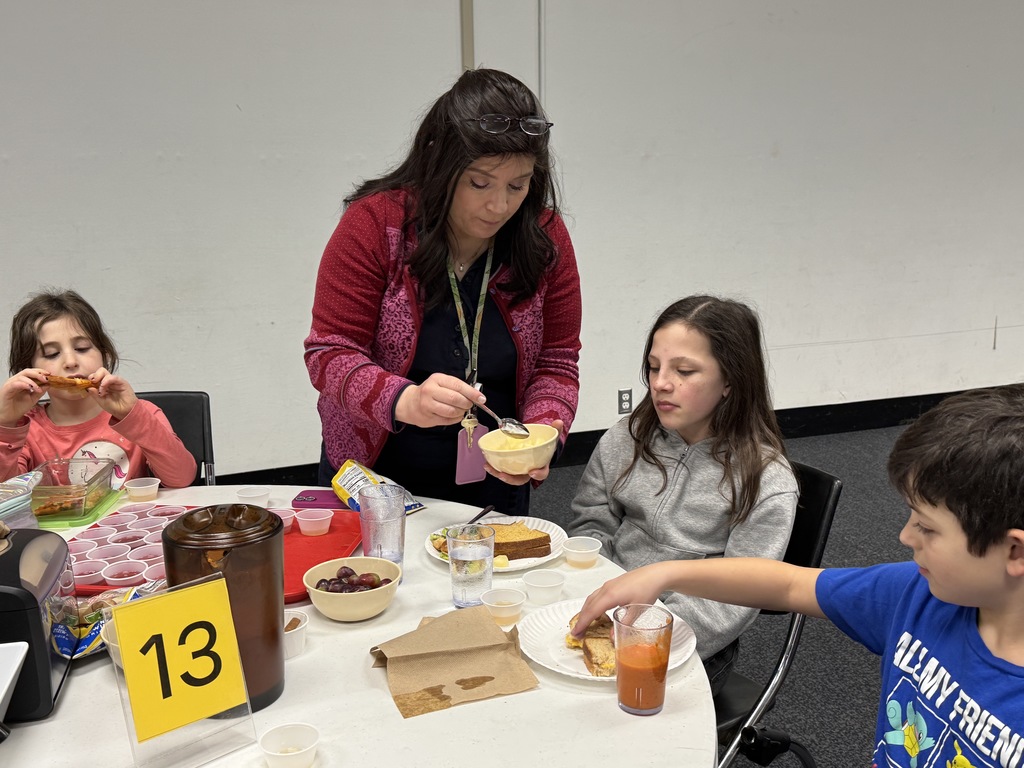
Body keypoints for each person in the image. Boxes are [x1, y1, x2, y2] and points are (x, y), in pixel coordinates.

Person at [574, 384, 1024, 766]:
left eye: (926, 527)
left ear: (1014, 549)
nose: (906, 536)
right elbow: (786, 583)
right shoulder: (914, 591)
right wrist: (665, 574)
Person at [304, 68, 581, 515]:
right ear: (440, 164)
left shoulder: (544, 237)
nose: (499, 205)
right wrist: (406, 399)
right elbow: (330, 353)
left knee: (487, 580)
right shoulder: (376, 225)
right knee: (373, 578)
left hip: (492, 473)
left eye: (518, 184)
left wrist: (543, 432)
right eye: (479, 183)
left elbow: (557, 361)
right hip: (377, 471)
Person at [567, 295, 797, 694]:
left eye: (685, 371)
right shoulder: (627, 437)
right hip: (608, 606)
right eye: (654, 367)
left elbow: (737, 596)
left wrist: (641, 632)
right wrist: (597, 591)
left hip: (692, 638)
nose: (660, 383)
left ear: (730, 381)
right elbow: (591, 521)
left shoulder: (766, 481)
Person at [0, 289, 196, 487]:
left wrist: (133, 415)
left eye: (82, 348)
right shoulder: (25, 431)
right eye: (52, 354)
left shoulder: (143, 414)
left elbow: (181, 478)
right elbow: (6, 499)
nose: (70, 362)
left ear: (105, 354)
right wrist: (5, 424)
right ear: (28, 369)